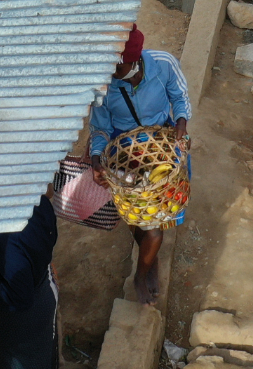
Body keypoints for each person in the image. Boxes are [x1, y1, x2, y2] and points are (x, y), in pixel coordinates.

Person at [87, 27, 190, 305]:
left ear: (132, 62)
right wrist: (96, 158)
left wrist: (181, 120)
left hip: (162, 150)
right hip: (126, 158)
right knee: (143, 220)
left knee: (159, 216)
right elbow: (99, 129)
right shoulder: (102, 87)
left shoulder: (164, 64)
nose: (111, 75)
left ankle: (147, 260)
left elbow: (179, 97)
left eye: (116, 68)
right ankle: (143, 271)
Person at [0, 194, 61, 369]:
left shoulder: (10, 242)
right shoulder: (38, 201)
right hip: (45, 291)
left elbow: (18, 298)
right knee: (46, 357)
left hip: (24, 324)